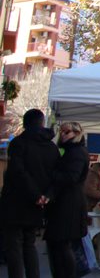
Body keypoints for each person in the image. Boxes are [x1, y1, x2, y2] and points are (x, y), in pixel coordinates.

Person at [0, 108, 60, 278]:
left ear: (26, 123)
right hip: (38, 203)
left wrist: (35, 194)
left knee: (14, 246)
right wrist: (45, 196)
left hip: (15, 202)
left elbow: (18, 172)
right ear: (42, 123)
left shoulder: (19, 143)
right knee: (29, 243)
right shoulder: (51, 148)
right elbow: (55, 176)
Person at [45, 121, 91, 278]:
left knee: (63, 244)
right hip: (66, 202)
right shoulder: (72, 151)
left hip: (69, 204)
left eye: (67, 132)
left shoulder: (77, 152)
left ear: (76, 134)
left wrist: (51, 174)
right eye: (62, 132)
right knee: (61, 245)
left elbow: (71, 177)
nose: (63, 135)